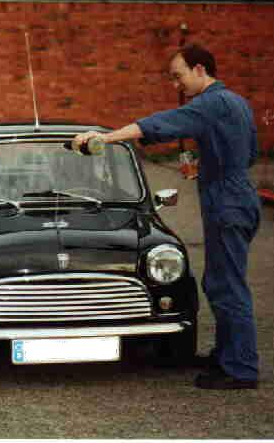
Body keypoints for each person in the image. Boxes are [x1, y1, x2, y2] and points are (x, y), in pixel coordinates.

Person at [73, 43, 261, 390]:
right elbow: (250, 154)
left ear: (200, 69)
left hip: (226, 201)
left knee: (226, 285)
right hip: (240, 195)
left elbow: (159, 124)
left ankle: (240, 369)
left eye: (179, 76)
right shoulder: (238, 102)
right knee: (221, 280)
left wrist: (105, 138)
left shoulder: (210, 103)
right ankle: (226, 355)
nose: (177, 85)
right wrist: (211, 165)